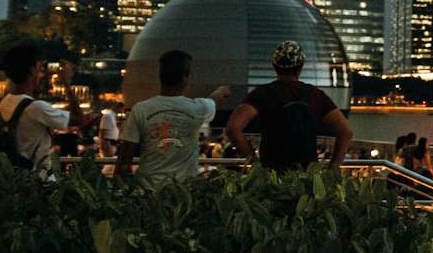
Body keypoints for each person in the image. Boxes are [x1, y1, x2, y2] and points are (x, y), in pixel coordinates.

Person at [225, 41, 353, 168]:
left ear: (274, 65)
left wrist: (254, 160)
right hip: (307, 173)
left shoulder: (262, 93)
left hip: (272, 171)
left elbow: (233, 128)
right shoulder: (315, 95)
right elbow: (346, 132)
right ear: (301, 66)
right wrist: (333, 166)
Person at [117, 50, 217, 183]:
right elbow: (213, 100)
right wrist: (220, 91)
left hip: (148, 190)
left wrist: (119, 188)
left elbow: (125, 154)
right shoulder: (199, 108)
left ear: (160, 77)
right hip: (184, 191)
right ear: (184, 78)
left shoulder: (140, 109)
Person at [0, 44, 71, 177]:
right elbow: (80, 119)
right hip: (40, 178)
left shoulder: (5, 102)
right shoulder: (37, 108)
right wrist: (66, 83)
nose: (42, 75)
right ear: (32, 71)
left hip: (17, 177)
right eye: (40, 69)